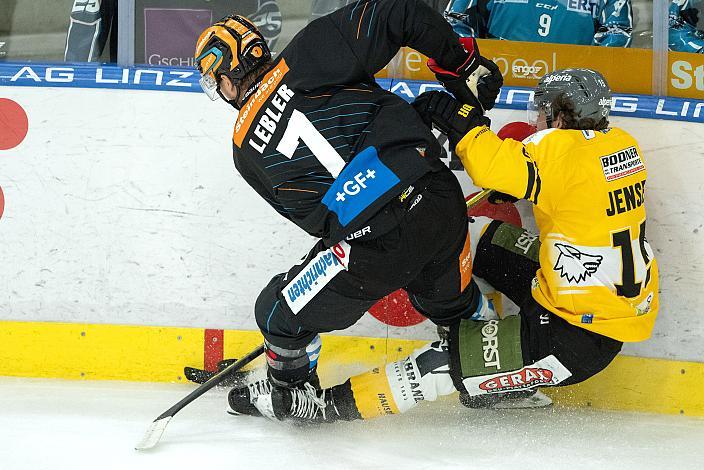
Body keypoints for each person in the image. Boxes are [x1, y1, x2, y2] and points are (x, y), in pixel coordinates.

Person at [226, 68, 660, 424]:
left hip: (577, 338)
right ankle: (477, 345)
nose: (535, 122)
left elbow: (494, 165)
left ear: (561, 116)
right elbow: (569, 187)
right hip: (595, 295)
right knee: (485, 241)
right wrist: (520, 183)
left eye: (541, 112)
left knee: (435, 368)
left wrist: (466, 124)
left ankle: (324, 406)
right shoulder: (622, 146)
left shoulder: (558, 148)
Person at [192, 0, 503, 422]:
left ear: (227, 78)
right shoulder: (310, 50)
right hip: (436, 201)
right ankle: (501, 372)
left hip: (372, 250)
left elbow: (317, 221)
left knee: (275, 313)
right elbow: (401, 13)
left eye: (216, 80)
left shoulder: (243, 150)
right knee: (453, 306)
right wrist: (461, 63)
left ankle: (293, 393)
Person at [444, 0, 632, 47]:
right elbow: (455, 22)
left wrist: (581, 71)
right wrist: (480, 67)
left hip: (573, 90)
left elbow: (617, 32)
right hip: (502, 80)